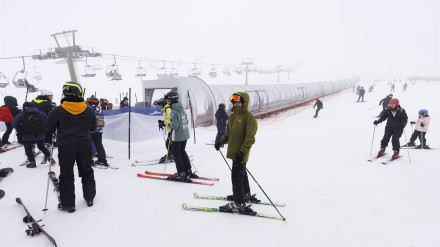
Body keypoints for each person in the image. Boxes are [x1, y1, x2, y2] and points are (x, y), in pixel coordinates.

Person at [45, 81, 97, 213]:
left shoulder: (57, 110)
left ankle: (69, 205)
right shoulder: (89, 110)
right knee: (87, 170)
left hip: (65, 145)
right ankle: (89, 198)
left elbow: (47, 126)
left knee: (66, 174)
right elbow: (93, 128)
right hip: (84, 144)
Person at [214, 92, 259, 215]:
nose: (236, 104)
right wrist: (220, 142)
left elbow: (250, 138)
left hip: (241, 153)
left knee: (236, 178)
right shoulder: (233, 117)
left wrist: (242, 152)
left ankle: (239, 203)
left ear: (244, 103)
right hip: (234, 152)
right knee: (241, 173)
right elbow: (228, 134)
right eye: (235, 102)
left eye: (239, 102)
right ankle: (245, 194)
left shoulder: (249, 118)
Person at [11, 102, 54, 168]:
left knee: (28, 149)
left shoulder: (21, 115)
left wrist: (20, 128)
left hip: (27, 136)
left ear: (24, 107)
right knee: (42, 146)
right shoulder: (40, 113)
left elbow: (14, 124)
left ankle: (32, 163)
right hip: (40, 134)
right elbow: (48, 120)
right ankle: (50, 159)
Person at [165, 91, 195, 182]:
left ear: (171, 100)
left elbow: (175, 125)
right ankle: (187, 170)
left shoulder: (173, 111)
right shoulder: (181, 109)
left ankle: (181, 173)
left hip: (177, 135)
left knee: (176, 154)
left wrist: (167, 124)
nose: (167, 102)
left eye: (167, 100)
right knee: (182, 151)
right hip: (184, 134)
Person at [86, 96, 108, 166]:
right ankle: (102, 160)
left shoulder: (89, 108)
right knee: (99, 145)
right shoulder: (100, 109)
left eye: (88, 101)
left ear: (91, 102)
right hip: (99, 130)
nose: (87, 103)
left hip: (91, 131)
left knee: (88, 146)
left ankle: (89, 161)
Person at [156, 98, 174, 163]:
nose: (160, 106)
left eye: (160, 105)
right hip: (170, 129)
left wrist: (164, 123)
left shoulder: (168, 109)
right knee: (169, 143)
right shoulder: (165, 109)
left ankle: (171, 155)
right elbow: (167, 120)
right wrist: (163, 123)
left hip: (172, 129)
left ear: (163, 104)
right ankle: (170, 154)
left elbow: (171, 119)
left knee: (169, 143)